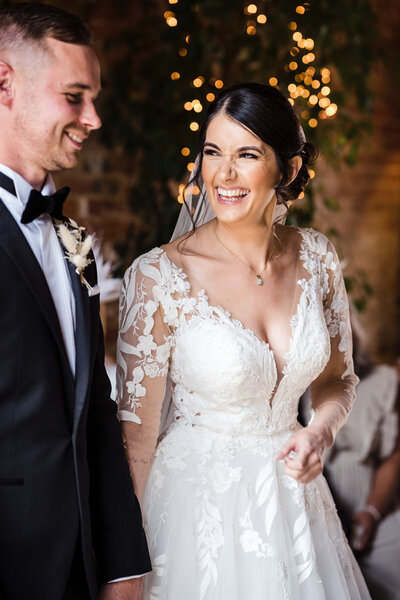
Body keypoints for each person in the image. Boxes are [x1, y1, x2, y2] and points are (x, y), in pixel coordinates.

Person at [117, 82, 370, 599]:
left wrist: (317, 434)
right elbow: (136, 441)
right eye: (213, 152)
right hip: (195, 517)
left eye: (246, 154)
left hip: (297, 506)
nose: (224, 174)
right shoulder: (159, 275)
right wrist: (125, 567)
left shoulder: (318, 257)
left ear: (289, 169)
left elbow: (337, 381)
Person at [0, 3, 150, 599]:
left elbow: (95, 413)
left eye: (95, 98)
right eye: (74, 96)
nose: (94, 118)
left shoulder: (74, 242)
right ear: (5, 83)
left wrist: (122, 563)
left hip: (81, 568)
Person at [323, 318, 400, 599]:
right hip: (320, 508)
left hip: (373, 508)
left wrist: (372, 512)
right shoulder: (293, 386)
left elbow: (393, 457)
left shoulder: (382, 382)